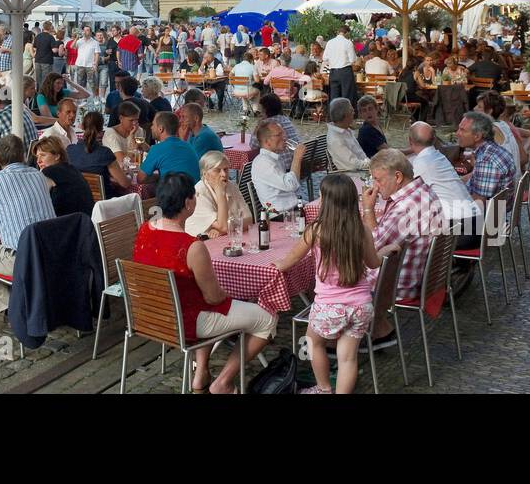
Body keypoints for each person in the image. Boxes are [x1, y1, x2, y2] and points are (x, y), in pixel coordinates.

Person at [134, 172, 277, 393]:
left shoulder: (145, 229)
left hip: (152, 315)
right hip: (186, 322)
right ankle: (223, 382)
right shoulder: (191, 246)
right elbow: (214, 298)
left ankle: (200, 373)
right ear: (188, 203)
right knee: (267, 318)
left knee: (201, 299)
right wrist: (231, 290)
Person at [274, 173, 382, 394]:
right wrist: (385, 251)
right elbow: (373, 263)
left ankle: (323, 388)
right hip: (361, 305)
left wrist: (278, 265)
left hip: (329, 307)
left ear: (325, 201)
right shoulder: (362, 231)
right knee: (348, 357)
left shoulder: (315, 230)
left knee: (312, 343)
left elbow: (291, 260)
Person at [0, 134, 55, 312]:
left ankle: (10, 307)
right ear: (23, 155)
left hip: (22, 260)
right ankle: (22, 300)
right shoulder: (38, 176)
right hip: (51, 254)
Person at [365, 149, 443, 336]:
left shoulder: (404, 207)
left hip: (398, 284)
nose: (375, 186)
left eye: (378, 179)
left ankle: (335, 335)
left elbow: (371, 248)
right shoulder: (422, 190)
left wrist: (367, 210)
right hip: (422, 277)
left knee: (329, 271)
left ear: (398, 176)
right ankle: (375, 327)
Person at [406, 120, 480, 246]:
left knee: (411, 234)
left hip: (463, 232)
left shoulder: (421, 162)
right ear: (434, 139)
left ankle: (429, 265)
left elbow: (410, 198)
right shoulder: (438, 156)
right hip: (476, 223)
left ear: (410, 141)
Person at [456, 111, 516, 207]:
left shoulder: (486, 161)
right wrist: (454, 182)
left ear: (477, 136)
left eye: (462, 130)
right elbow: (476, 175)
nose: (457, 133)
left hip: (487, 217)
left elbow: (478, 203)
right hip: (496, 212)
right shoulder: (491, 149)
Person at [186, 150, 252, 238]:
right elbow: (224, 227)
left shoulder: (231, 186)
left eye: (226, 169)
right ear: (205, 174)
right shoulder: (198, 193)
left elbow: (249, 219)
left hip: (225, 238)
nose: (224, 174)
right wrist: (220, 193)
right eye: (217, 170)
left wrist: (222, 230)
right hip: (199, 242)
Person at [68, 110, 129, 197]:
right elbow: (124, 183)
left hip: (80, 202)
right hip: (105, 203)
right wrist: (130, 175)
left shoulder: (70, 150)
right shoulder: (105, 153)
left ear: (82, 126)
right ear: (101, 129)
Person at [31, 135, 93, 217]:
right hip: (85, 223)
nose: (38, 161)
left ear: (57, 156)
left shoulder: (49, 172)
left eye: (43, 155)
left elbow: (36, 202)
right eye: (37, 157)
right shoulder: (72, 169)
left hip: (65, 224)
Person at [252, 119, 306, 213]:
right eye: (278, 135)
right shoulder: (263, 163)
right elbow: (291, 185)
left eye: (283, 134)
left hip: (293, 207)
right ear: (267, 142)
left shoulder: (275, 158)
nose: (284, 137)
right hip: (281, 215)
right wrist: (297, 158)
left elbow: (293, 185)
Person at [139, 111, 201, 185]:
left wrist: (158, 177)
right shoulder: (188, 145)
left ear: (160, 129)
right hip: (195, 192)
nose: (151, 127)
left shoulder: (157, 149)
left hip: (176, 194)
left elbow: (141, 178)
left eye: (153, 124)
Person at [476, 91, 530, 172]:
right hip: (513, 177)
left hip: (506, 181)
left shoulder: (492, 130)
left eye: (479, 107)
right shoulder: (504, 125)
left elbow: (487, 167)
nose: (475, 109)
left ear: (490, 111)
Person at [325, 98, 370, 173]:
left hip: (363, 170)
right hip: (353, 176)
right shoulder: (336, 139)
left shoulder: (345, 130)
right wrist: (373, 164)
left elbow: (360, 155)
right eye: (351, 111)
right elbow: (353, 165)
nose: (354, 112)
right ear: (345, 115)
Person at [322, 25, 358, 103]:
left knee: (334, 98)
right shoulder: (348, 42)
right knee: (347, 97)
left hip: (333, 72)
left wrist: (333, 60)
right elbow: (353, 59)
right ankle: (347, 114)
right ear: (347, 33)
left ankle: (334, 114)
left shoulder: (330, 42)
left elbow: (324, 58)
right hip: (345, 71)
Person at [32, 22, 58, 90]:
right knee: (46, 80)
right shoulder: (51, 37)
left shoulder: (38, 36)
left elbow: (34, 48)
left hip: (37, 60)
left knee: (38, 79)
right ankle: (44, 94)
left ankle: (38, 94)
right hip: (47, 61)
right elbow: (54, 50)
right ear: (50, 28)